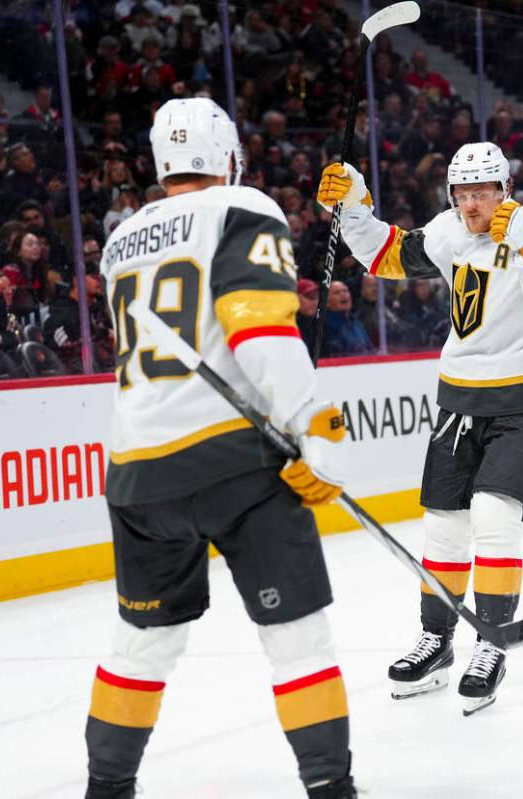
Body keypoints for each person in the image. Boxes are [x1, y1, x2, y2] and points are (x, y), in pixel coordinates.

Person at [87, 98, 355, 799]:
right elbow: (259, 329)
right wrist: (312, 423)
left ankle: (105, 789)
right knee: (298, 641)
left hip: (137, 474)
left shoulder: (121, 237)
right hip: (233, 463)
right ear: (229, 155)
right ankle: (331, 788)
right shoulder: (241, 206)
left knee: (140, 649)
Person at [317, 141, 523, 715]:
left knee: (493, 517)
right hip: (459, 400)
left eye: (481, 192)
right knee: (443, 530)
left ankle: (491, 643)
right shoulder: (448, 230)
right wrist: (354, 207)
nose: (471, 203)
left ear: (504, 190)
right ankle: (437, 641)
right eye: (462, 192)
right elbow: (385, 254)